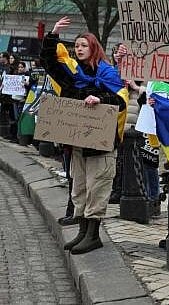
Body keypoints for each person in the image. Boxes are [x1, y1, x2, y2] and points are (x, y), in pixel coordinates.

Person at [40, 16, 127, 255]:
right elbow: (49, 63)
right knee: (79, 187)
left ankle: (93, 235)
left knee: (97, 186)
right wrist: (53, 34)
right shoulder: (72, 74)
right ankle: (82, 231)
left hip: (101, 144)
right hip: (77, 143)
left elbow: (120, 100)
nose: (79, 49)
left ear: (93, 48)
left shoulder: (108, 74)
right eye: (76, 46)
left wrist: (100, 99)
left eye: (83, 46)